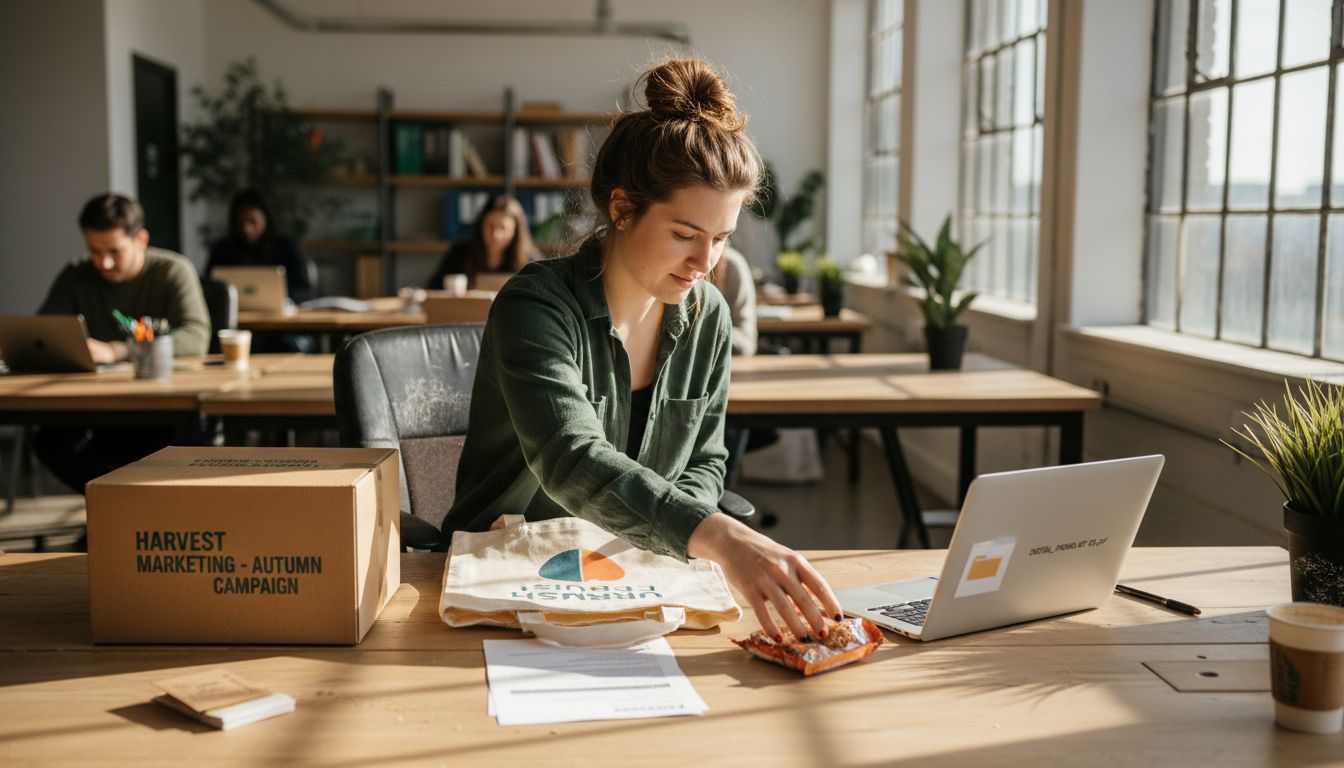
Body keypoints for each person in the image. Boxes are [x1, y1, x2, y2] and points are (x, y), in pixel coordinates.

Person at [443, 58, 842, 642]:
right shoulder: (535, 306)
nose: (706, 264)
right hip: (508, 591)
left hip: (637, 588)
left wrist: (676, 538)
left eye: (722, 240)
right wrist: (720, 535)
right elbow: (569, 457)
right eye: (685, 234)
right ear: (622, 208)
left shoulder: (708, 318)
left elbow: (705, 462)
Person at [35, 193, 211, 498]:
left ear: (141, 239)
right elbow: (44, 334)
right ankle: (118, 508)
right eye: (94, 251)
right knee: (50, 441)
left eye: (115, 251)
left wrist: (118, 351)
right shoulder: (77, 275)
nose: (103, 262)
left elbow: (196, 338)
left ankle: (124, 511)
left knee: (183, 441)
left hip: (161, 409)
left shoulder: (172, 271)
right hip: (96, 408)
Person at [206, 188, 315, 303]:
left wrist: (283, 300)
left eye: (253, 222)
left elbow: (304, 290)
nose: (246, 229)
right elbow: (208, 287)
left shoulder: (287, 247)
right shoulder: (222, 250)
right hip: (231, 317)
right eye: (241, 222)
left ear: (266, 219)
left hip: (280, 318)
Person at [425, 195, 538, 290]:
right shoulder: (459, 253)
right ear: (481, 226)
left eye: (503, 228)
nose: (495, 235)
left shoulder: (530, 261)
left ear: (515, 231)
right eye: (490, 226)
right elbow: (433, 289)